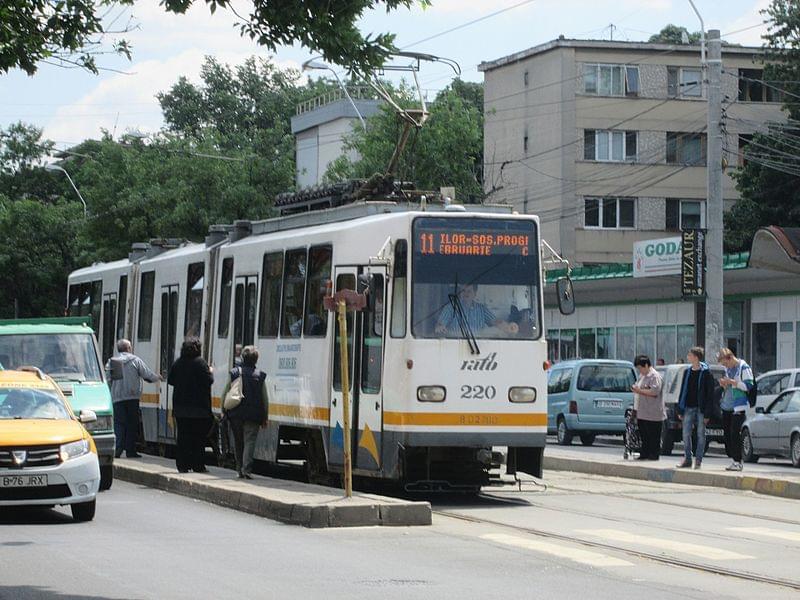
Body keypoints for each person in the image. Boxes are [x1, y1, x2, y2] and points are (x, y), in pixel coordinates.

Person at [106, 339, 160, 458]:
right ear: (129, 348)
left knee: (119, 424)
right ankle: (130, 451)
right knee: (131, 424)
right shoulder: (135, 360)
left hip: (117, 398)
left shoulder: (112, 362)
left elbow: (107, 379)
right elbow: (147, 375)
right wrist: (158, 377)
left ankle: (118, 450)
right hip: (132, 398)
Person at [168, 337, 214, 473]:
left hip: (181, 408)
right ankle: (198, 465)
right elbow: (209, 381)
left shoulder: (178, 363)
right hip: (199, 409)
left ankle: (182, 465)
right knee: (198, 439)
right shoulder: (201, 363)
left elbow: (170, 380)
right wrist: (210, 371)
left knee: (183, 438)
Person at [223, 345, 269, 479]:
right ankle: (246, 469)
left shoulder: (235, 373)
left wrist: (223, 410)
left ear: (242, 357)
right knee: (250, 441)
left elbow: (226, 392)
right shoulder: (260, 376)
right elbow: (264, 398)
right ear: (256, 359)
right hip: (253, 415)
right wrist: (265, 416)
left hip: (236, 413)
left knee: (238, 441)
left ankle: (239, 469)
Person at [675, 347, 715, 470]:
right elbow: (683, 390)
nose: (688, 357)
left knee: (700, 435)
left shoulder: (706, 373)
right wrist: (680, 409)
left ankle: (698, 460)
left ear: (696, 357)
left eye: (690, 355)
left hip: (701, 408)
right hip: (688, 407)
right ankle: (687, 459)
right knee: (686, 434)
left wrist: (708, 413)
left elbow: (710, 394)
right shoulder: (687, 372)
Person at [717, 347, 754, 472]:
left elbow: (748, 386)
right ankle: (734, 460)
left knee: (734, 433)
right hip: (728, 405)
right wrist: (724, 384)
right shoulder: (729, 369)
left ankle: (738, 461)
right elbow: (730, 385)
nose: (726, 366)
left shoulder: (744, 367)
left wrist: (732, 382)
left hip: (740, 404)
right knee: (727, 434)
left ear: (731, 357)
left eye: (726, 363)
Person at [435, 283, 512, 336]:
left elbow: (496, 321)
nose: (466, 294)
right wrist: (440, 327)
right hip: (454, 346)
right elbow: (440, 324)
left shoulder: (482, 309)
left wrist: (508, 327)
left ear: (475, 293)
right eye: (463, 291)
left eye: (469, 291)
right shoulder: (451, 308)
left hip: (478, 347)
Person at [631, 354, 664, 460]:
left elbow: (654, 391)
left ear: (646, 365)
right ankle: (644, 453)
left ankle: (653, 455)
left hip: (653, 412)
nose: (639, 370)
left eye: (640, 368)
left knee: (653, 435)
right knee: (644, 435)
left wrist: (639, 390)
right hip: (642, 411)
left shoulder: (654, 376)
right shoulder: (642, 376)